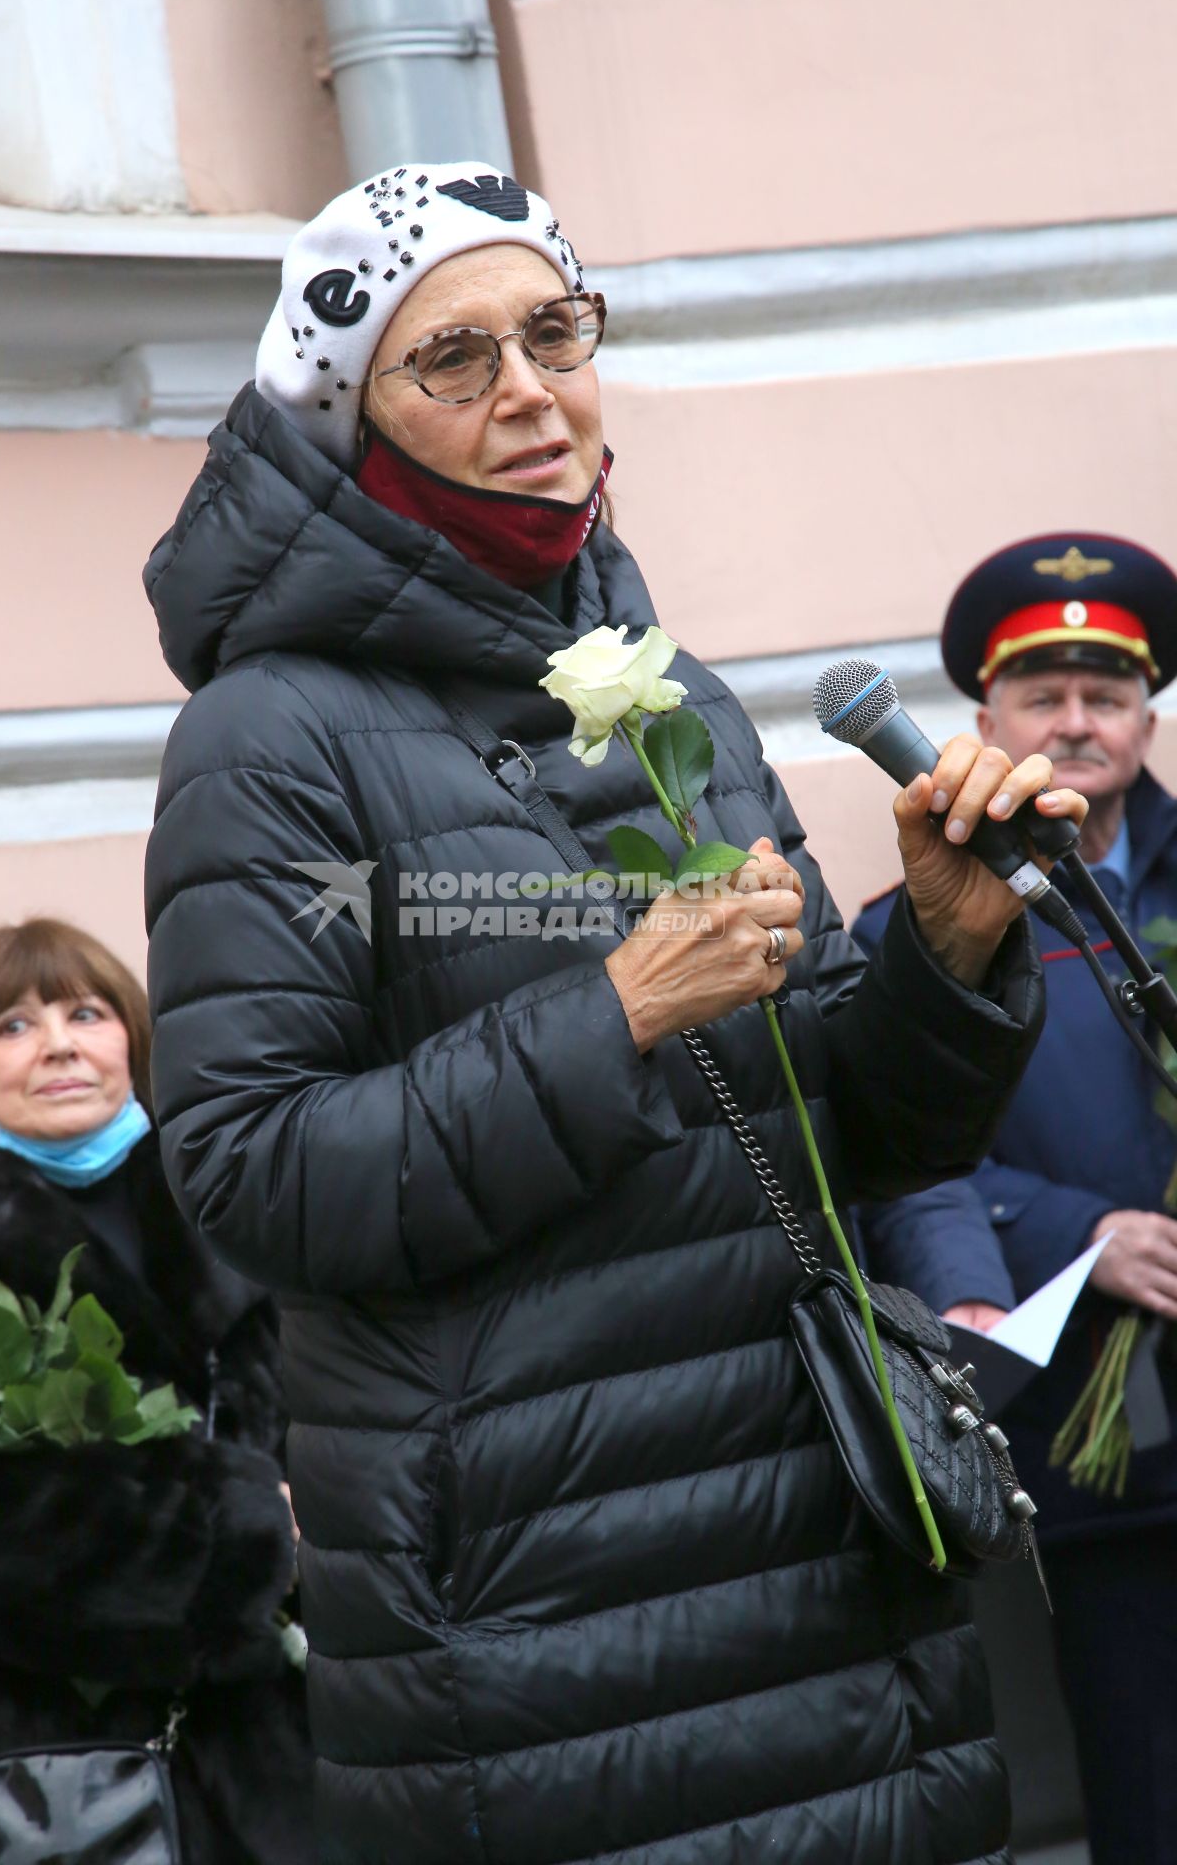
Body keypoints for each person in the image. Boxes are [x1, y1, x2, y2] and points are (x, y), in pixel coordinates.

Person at [142, 162, 1088, 1865]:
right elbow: (253, 1168)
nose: (529, 388)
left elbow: (822, 1129)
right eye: (454, 357)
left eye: (556, 332)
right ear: (350, 414)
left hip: (818, 1561)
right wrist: (617, 1010)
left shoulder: (664, 686)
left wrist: (945, 960)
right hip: (539, 1631)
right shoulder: (270, 738)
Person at [853, 534, 1177, 1865]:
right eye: (1045, 696)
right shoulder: (921, 930)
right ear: (988, 722)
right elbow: (897, 1154)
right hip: (1096, 1433)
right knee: (1148, 1782)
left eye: (1107, 692)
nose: (1079, 721)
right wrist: (1076, 1234)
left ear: (1149, 711)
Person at [0, 918, 315, 1864]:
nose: (57, 1044)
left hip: (272, 1773)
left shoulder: (239, 1220)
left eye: (86, 1011)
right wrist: (257, 1536)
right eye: (11, 1024)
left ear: (132, 1034)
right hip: (48, 1786)